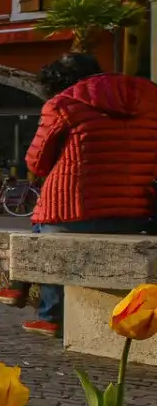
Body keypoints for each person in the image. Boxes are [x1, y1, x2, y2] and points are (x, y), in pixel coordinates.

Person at [22, 51, 157, 335]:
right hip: (138, 211)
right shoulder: (151, 101)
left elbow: (37, 162)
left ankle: (49, 312)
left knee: (48, 232)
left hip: (73, 210)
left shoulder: (63, 104)